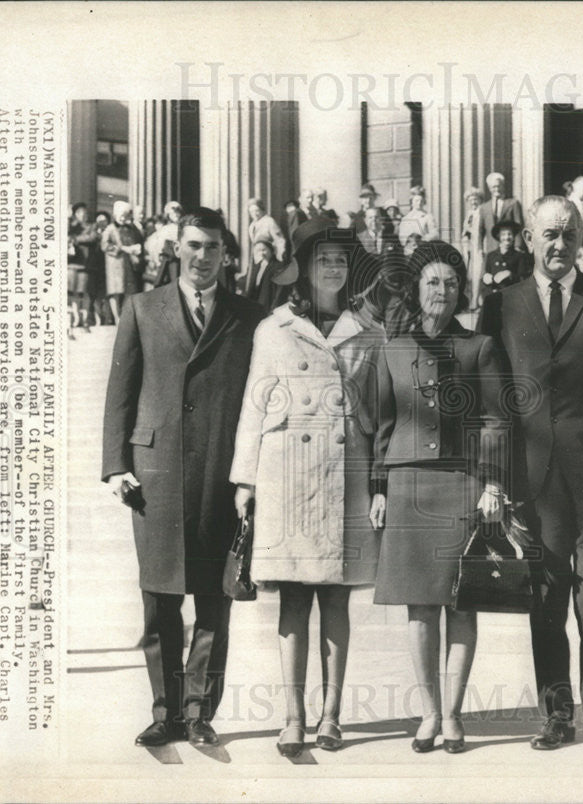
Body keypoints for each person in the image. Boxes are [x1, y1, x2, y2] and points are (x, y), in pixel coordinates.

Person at [478, 196, 583, 753]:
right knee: (546, 599)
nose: (559, 244)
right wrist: (495, 474)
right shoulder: (501, 303)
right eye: (548, 233)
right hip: (533, 474)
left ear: (582, 240)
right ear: (527, 238)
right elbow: (491, 393)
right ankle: (556, 714)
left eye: (569, 234)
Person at [101, 208, 264, 748]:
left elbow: (259, 401)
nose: (202, 256)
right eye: (193, 245)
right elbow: (120, 392)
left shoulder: (248, 316)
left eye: (213, 247)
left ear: (226, 253)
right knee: (160, 598)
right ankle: (164, 710)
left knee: (214, 602)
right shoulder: (143, 309)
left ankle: (198, 712)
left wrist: (251, 476)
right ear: (176, 249)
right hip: (156, 475)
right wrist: (116, 463)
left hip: (221, 473)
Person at [230, 220, 382, 757]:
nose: (334, 269)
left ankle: (331, 715)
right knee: (293, 597)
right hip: (287, 475)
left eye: (341, 260)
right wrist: (245, 479)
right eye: (324, 260)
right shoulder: (274, 330)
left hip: (346, 472)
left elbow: (382, 412)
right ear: (304, 269)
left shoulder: (369, 329)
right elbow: (254, 404)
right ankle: (293, 716)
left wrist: (380, 479)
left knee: (337, 597)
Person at [369, 240, 511, 755]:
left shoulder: (479, 347)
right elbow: (383, 425)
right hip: (407, 485)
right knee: (420, 607)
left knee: (461, 603)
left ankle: (453, 714)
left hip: (462, 483)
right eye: (433, 281)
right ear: (415, 287)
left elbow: (497, 419)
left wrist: (493, 482)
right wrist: (379, 488)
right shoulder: (393, 348)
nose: (442, 292)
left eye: (451, 284)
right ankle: (428, 712)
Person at [101, 200, 144, 324]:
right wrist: (124, 249)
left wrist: (135, 248)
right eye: (121, 215)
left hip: (127, 263)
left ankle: (124, 317)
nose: (123, 218)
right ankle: (116, 317)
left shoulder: (131, 228)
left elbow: (137, 240)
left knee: (127, 290)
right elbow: (104, 245)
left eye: (125, 215)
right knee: (115, 291)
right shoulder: (110, 229)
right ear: (115, 215)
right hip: (114, 263)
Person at [67, 202, 97, 334]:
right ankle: (75, 318)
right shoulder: (72, 226)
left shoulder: (92, 226)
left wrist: (75, 239)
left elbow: (92, 237)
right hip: (72, 263)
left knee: (82, 292)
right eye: (79, 212)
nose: (82, 214)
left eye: (84, 212)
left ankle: (85, 320)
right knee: (72, 293)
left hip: (85, 264)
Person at [478, 171, 525, 253]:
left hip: (510, 248)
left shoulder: (513, 203)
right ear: (489, 188)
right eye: (494, 187)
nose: (497, 189)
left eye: (499, 186)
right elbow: (481, 230)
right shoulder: (484, 207)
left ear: (503, 186)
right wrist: (480, 248)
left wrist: (518, 246)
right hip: (491, 249)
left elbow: (519, 226)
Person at [242, 237, 292, 314]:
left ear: (271, 251)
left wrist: (274, 308)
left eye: (264, 250)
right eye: (258, 251)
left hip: (268, 306)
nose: (262, 253)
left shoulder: (278, 267)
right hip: (255, 306)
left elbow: (280, 291)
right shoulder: (256, 267)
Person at [481, 220, 525, 299]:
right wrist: (485, 279)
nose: (507, 237)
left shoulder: (519, 256)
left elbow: (523, 280)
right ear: (499, 236)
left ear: (514, 236)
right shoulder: (491, 256)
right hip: (493, 296)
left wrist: (510, 274)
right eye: (503, 234)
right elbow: (486, 277)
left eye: (510, 234)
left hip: (511, 297)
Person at [461, 186, 485, 309]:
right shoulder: (469, 214)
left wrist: (470, 230)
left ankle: (475, 300)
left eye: (475, 199)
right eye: (470, 200)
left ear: (480, 200)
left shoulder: (481, 213)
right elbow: (465, 231)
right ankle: (479, 298)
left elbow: (479, 231)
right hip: (469, 247)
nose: (473, 202)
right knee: (471, 274)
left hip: (479, 247)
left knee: (478, 274)